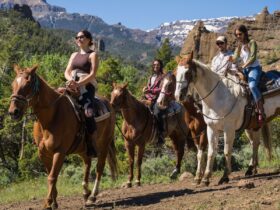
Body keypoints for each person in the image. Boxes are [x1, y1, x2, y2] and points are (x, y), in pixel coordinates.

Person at [64, 29, 98, 156]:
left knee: (88, 113)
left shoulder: (92, 55)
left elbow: (93, 73)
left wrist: (79, 83)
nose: (78, 39)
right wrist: (71, 81)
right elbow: (66, 72)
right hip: (72, 85)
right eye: (77, 37)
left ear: (88, 39)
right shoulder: (73, 55)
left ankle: (91, 143)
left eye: (81, 37)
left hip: (87, 87)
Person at [231, 24, 265, 126]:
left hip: (254, 68)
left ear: (245, 33)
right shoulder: (239, 46)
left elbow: (253, 57)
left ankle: (260, 110)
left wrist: (243, 66)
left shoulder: (252, 43)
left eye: (240, 34)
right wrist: (231, 60)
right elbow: (235, 58)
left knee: (252, 86)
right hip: (245, 69)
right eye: (236, 35)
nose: (238, 36)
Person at [143, 59, 166, 145]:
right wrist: (145, 89)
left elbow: (161, 89)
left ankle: (160, 134)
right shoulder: (151, 77)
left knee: (157, 112)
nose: (156, 66)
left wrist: (149, 90)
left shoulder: (163, 76)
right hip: (148, 97)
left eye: (158, 65)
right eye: (154, 65)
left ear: (160, 66)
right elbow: (148, 86)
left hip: (158, 98)